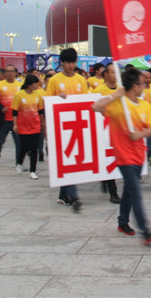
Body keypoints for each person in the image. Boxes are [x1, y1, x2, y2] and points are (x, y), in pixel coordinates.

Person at [91, 67, 151, 245]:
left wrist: (140, 134)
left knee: (129, 190)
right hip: (123, 156)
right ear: (134, 86)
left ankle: (122, 222)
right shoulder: (118, 105)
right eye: (142, 83)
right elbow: (95, 106)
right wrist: (116, 94)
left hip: (139, 155)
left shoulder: (144, 105)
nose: (144, 85)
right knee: (136, 192)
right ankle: (146, 231)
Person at [45, 48, 88, 211]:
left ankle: (64, 195)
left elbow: (86, 101)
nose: (70, 65)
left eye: (73, 62)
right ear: (62, 63)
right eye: (67, 62)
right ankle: (71, 195)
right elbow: (47, 102)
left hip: (77, 124)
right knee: (66, 158)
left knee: (72, 160)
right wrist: (58, 99)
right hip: (60, 125)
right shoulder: (55, 80)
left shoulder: (81, 80)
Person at [89, 64, 122, 203]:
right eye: (112, 72)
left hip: (120, 129)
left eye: (117, 72)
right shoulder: (99, 90)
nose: (115, 75)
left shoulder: (122, 89)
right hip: (105, 130)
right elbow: (93, 108)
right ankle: (113, 193)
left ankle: (105, 179)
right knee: (109, 159)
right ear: (106, 75)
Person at [11, 75, 45, 179]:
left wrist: (43, 123)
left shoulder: (37, 94)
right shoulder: (19, 95)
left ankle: (33, 171)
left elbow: (40, 110)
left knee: (34, 149)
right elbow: (15, 111)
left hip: (35, 125)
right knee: (24, 147)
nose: (37, 86)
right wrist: (15, 124)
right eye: (35, 84)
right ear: (30, 84)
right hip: (23, 125)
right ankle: (19, 162)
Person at [0, 65, 22, 167]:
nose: (10, 73)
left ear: (15, 73)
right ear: (4, 73)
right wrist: (0, 108)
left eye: (12, 71)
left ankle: (19, 162)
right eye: (8, 71)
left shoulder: (20, 85)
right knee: (0, 140)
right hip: (4, 119)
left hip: (16, 119)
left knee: (18, 142)